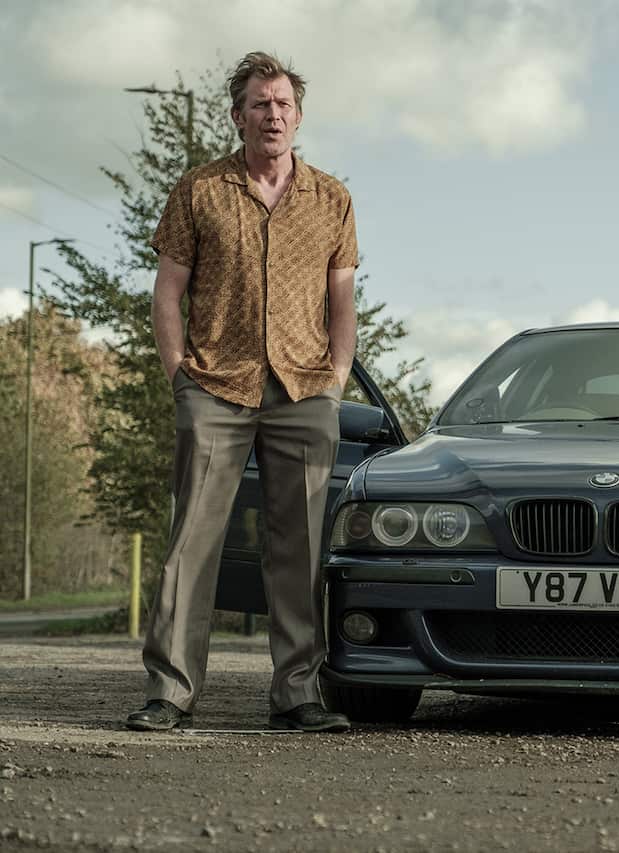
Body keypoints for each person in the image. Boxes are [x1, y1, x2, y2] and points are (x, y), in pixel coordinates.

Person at [126, 51, 358, 733]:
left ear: (299, 116)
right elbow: (167, 292)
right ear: (238, 116)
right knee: (192, 543)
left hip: (305, 390)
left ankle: (297, 692)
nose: (273, 114)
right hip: (214, 386)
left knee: (300, 547)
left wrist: (336, 380)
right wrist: (179, 374)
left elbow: (342, 300)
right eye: (261, 104)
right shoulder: (199, 190)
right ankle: (170, 692)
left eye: (283, 104)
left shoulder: (332, 199)